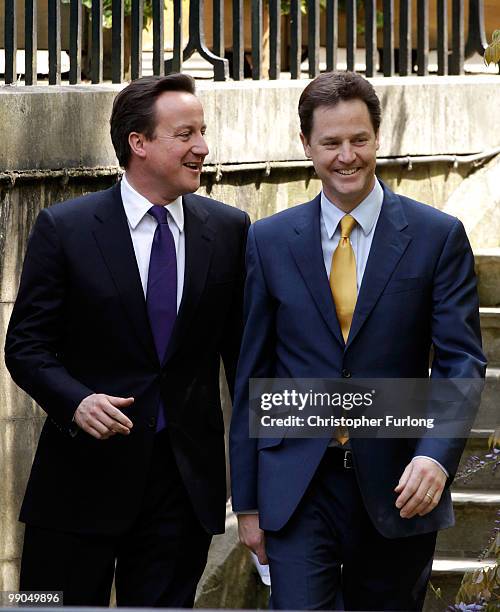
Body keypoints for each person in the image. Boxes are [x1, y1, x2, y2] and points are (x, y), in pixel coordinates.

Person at [229, 71, 486, 611]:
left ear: (378, 137)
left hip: (400, 483)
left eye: (359, 140)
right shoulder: (269, 240)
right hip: (298, 484)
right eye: (331, 143)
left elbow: (461, 361)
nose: (347, 156)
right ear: (306, 145)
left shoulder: (437, 236)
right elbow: (253, 372)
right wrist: (247, 502)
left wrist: (436, 458)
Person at [5, 73, 249, 607]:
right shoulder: (64, 227)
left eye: (202, 132)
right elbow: (24, 346)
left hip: (183, 492)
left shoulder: (230, 230)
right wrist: (76, 400)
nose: (202, 147)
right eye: (185, 134)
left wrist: (252, 493)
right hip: (77, 486)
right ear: (138, 143)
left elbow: (244, 364)